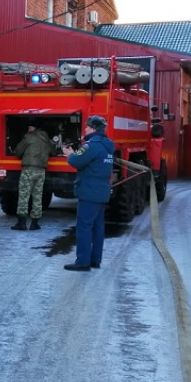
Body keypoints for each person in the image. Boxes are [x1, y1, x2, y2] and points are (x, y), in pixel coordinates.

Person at [61, 115, 114, 272]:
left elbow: (76, 162)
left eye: (87, 127)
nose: (85, 129)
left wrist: (69, 154)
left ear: (93, 129)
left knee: (84, 227)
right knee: (98, 227)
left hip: (89, 192)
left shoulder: (90, 146)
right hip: (102, 191)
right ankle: (95, 260)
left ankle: (82, 262)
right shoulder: (108, 145)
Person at [11, 119, 54, 231]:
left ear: (34, 128)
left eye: (30, 127)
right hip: (41, 171)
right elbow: (52, 151)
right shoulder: (46, 139)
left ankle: (21, 223)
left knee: (24, 196)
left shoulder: (29, 137)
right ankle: (35, 223)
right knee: (37, 196)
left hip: (29, 170)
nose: (28, 129)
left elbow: (18, 152)